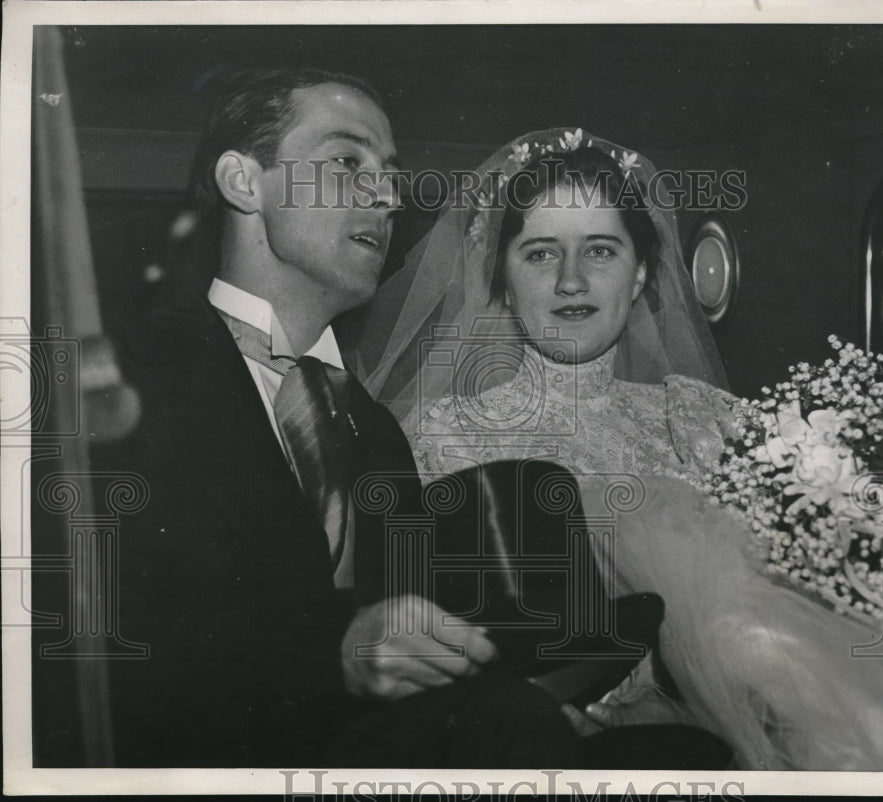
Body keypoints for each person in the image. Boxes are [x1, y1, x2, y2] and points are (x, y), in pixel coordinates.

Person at [358, 128, 883, 770]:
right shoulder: (436, 438)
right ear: (504, 282)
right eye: (540, 254)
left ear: (642, 272)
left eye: (600, 250)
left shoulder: (705, 418)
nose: (572, 280)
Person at [107, 69, 579, 768]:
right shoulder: (126, 376)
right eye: (347, 162)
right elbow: (95, 644)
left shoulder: (378, 433)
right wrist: (336, 652)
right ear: (244, 183)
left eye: (389, 173)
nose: (389, 195)